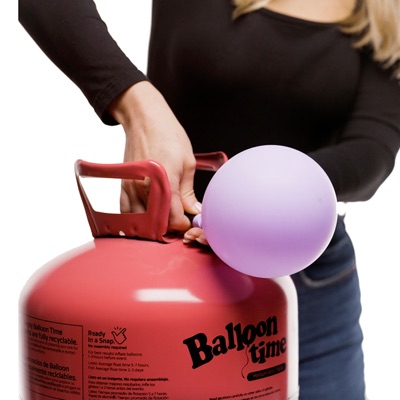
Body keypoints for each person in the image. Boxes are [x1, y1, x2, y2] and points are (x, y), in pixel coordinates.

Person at [19, 0, 400, 398]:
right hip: (171, 260)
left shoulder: (384, 12)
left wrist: (259, 194)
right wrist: (136, 101)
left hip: (308, 274)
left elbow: (372, 149)